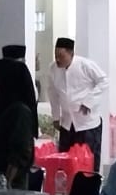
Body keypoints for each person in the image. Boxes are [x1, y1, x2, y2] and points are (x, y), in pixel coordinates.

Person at [45, 37, 110, 173]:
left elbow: (104, 81)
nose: (58, 60)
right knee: (65, 161)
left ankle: (90, 185)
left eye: (61, 56)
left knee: (88, 161)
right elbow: (52, 94)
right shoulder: (53, 69)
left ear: (71, 54)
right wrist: (56, 116)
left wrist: (89, 102)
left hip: (87, 123)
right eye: (56, 56)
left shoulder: (85, 65)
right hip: (67, 123)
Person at [0, 59, 38, 188]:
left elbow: (20, 151)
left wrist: (7, 182)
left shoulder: (19, 112)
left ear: (5, 80)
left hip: (10, 187)